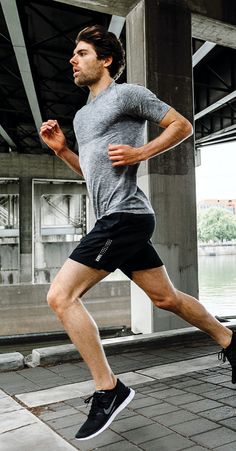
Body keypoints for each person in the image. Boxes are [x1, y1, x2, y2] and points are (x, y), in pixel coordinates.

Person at [40, 24, 236, 442]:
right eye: (73, 55)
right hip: (113, 217)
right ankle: (229, 339)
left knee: (60, 296)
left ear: (105, 59)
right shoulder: (81, 115)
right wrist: (62, 151)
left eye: (81, 53)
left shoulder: (127, 95)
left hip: (125, 217)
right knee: (166, 298)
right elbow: (92, 175)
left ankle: (109, 389)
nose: (72, 60)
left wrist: (141, 152)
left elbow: (182, 125)